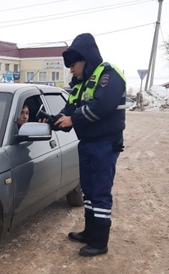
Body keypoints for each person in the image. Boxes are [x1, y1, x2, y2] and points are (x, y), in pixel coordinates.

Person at [52, 33, 126, 257]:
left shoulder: (108, 75)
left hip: (105, 144)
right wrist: (54, 120)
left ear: (85, 59)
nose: (71, 70)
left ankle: (100, 241)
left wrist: (73, 120)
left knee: (101, 192)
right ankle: (90, 232)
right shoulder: (80, 84)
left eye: (73, 64)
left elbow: (102, 105)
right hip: (87, 143)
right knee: (89, 190)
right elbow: (70, 109)